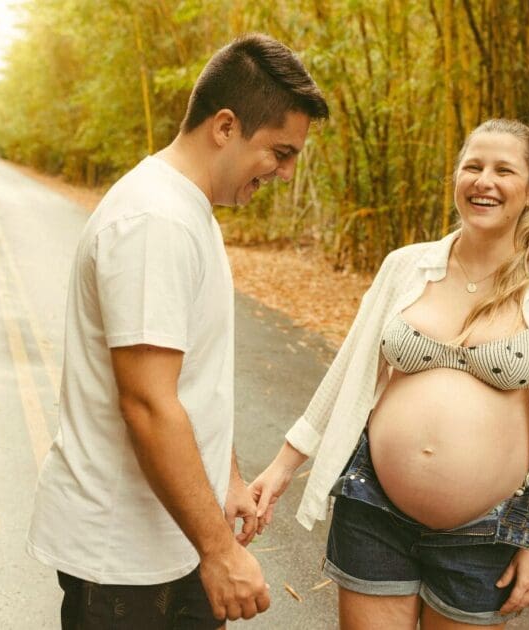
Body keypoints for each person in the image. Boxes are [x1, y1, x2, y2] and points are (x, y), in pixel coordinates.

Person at [27, 33, 328, 629]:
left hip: (173, 539)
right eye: (280, 151)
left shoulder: (189, 210)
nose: (287, 173)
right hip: (125, 560)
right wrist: (220, 550)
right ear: (224, 127)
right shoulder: (154, 221)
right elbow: (147, 402)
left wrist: (229, 476)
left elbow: (191, 380)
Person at [251, 119, 529, 628]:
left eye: (504, 170)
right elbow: (349, 371)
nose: (485, 181)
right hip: (375, 512)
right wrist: (283, 466)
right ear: (456, 176)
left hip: (486, 535)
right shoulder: (406, 267)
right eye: (473, 166)